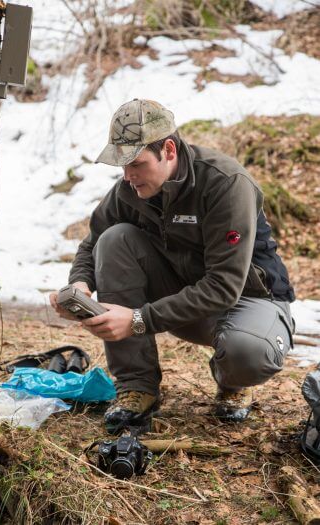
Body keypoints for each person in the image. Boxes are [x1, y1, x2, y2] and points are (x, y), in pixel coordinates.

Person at [50, 99, 295, 434]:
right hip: (185, 297)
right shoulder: (130, 188)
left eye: (136, 163)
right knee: (114, 239)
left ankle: (231, 379)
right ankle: (137, 386)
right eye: (122, 166)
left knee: (248, 353)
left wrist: (139, 320)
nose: (128, 175)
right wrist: (79, 284)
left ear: (168, 149)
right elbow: (93, 242)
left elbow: (224, 286)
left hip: (249, 300)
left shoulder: (225, 183)